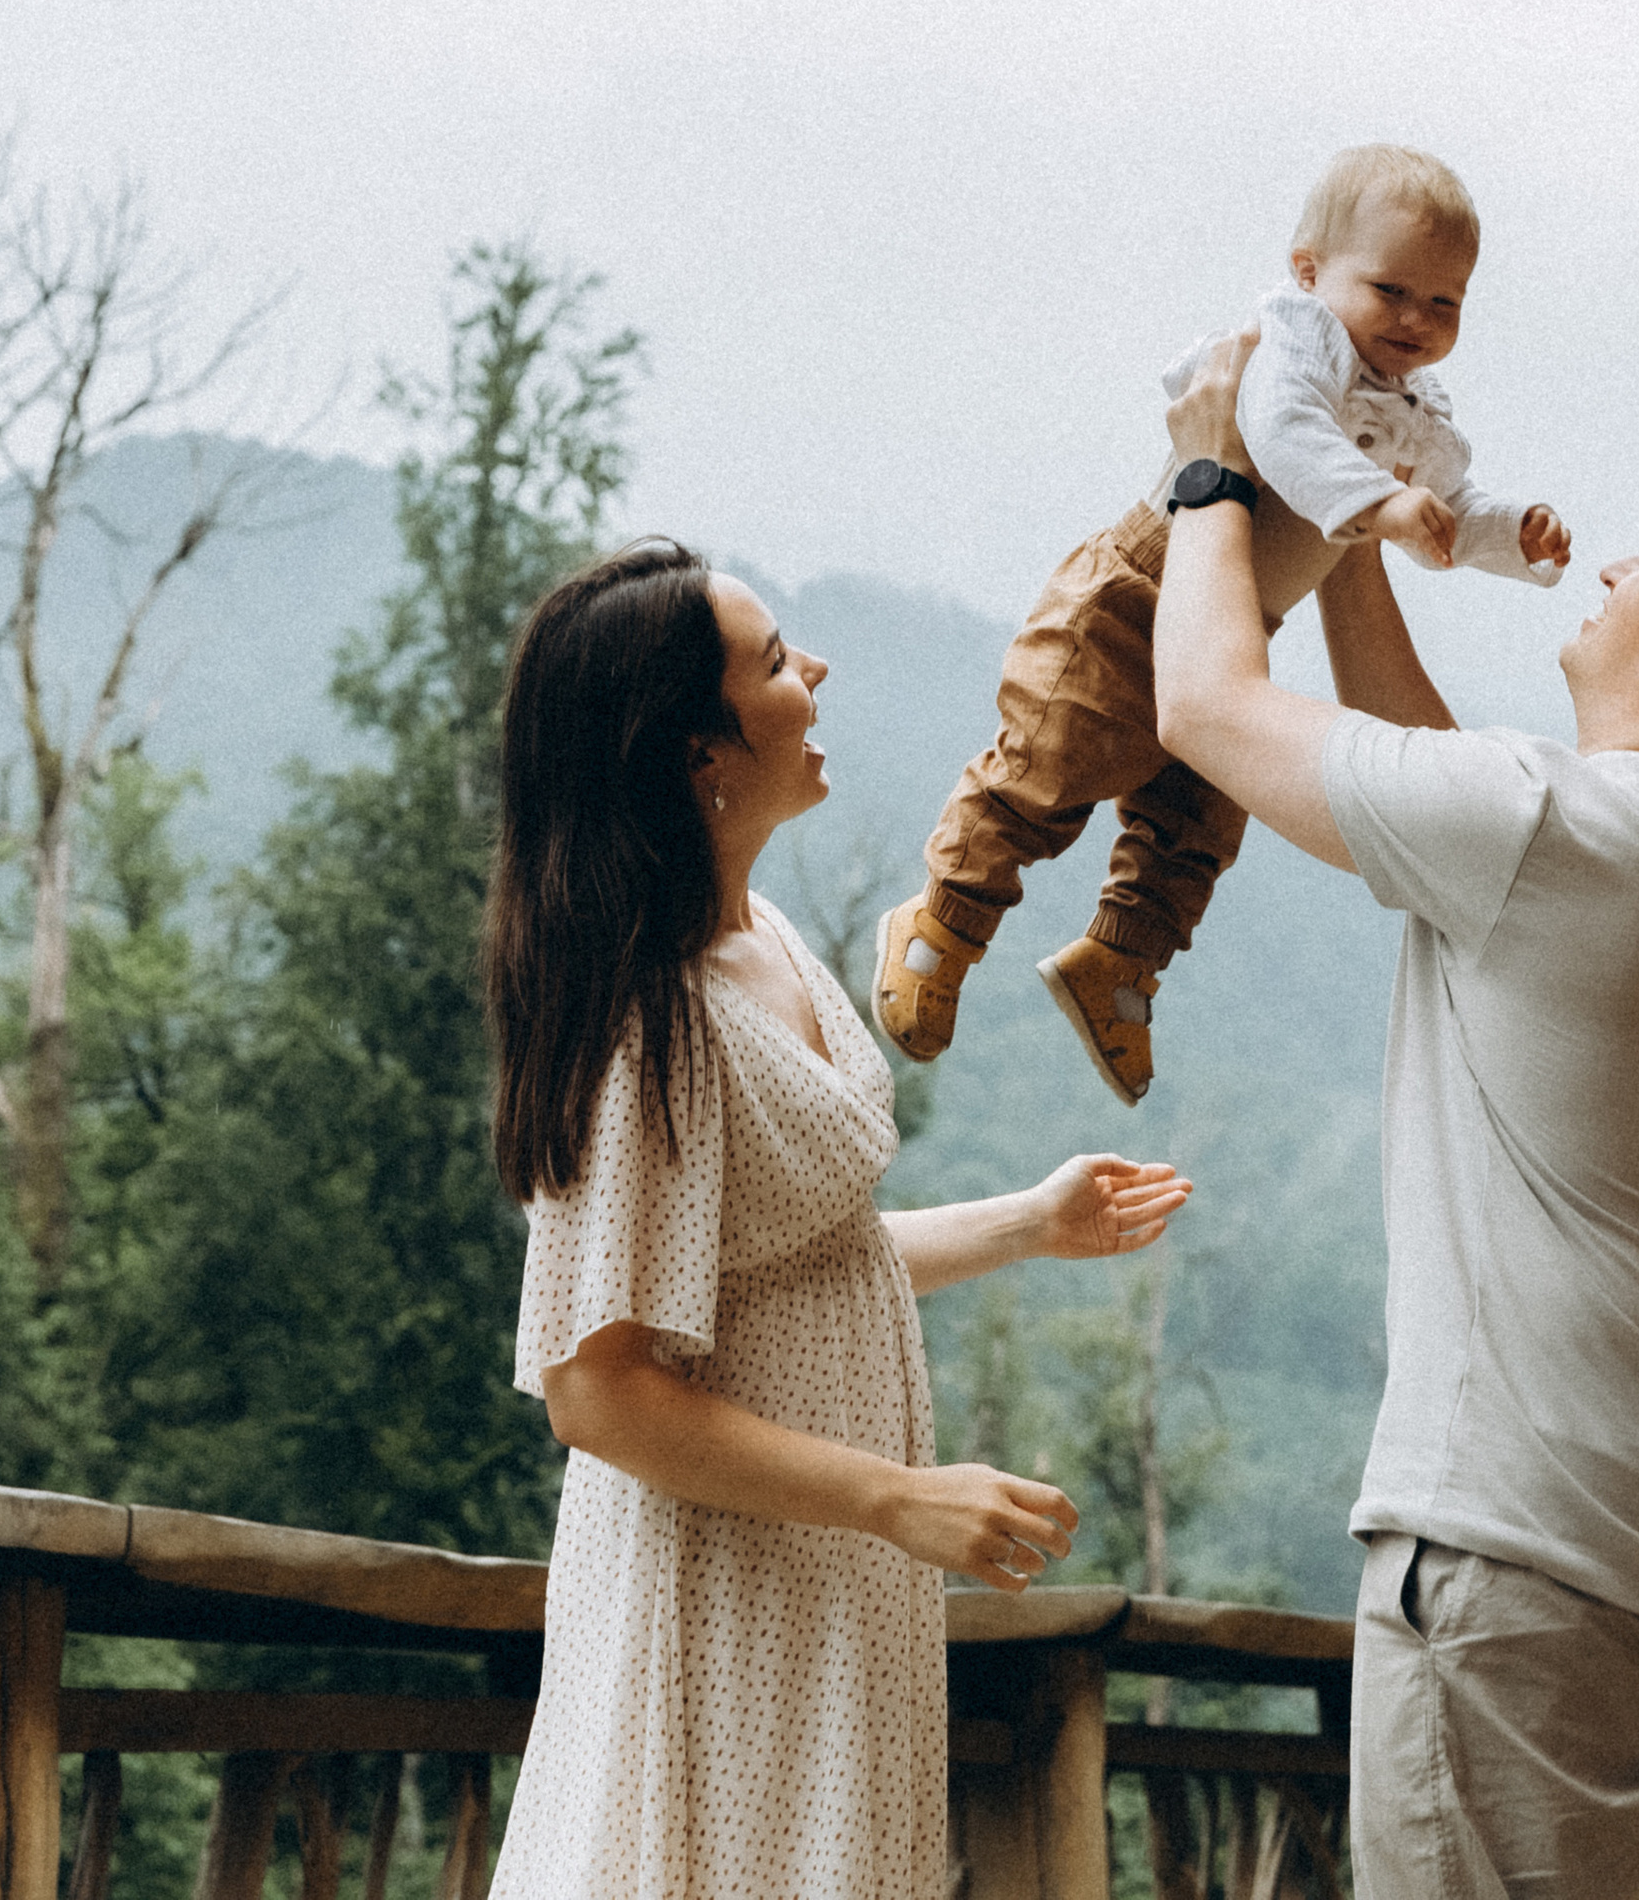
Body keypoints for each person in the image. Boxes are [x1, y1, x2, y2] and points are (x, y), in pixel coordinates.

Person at [1149, 336, 1639, 1900]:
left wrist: (1213, 469)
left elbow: (1206, 706)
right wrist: (1356, 523)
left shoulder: (1547, 834)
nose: (1616, 564)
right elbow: (1443, 788)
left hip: (1527, 1559)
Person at [483, 538, 1190, 1900]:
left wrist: (1029, 1223)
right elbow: (598, 1389)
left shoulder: (764, 939)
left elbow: (792, 1267)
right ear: (699, 750)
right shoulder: (644, 1020)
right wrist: (897, 1498)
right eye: (771, 661)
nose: (814, 669)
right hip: (722, 1597)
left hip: (827, 1583)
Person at [873, 143, 1570, 1103]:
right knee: (1048, 769)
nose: (1415, 320)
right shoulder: (1293, 345)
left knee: (1195, 824)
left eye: (1444, 303)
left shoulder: (1416, 409)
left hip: (1238, 627)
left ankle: (1119, 965)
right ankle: (944, 920)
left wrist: (1513, 535)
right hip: (1138, 592)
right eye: (1391, 290)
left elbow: (1449, 505)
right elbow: (1286, 435)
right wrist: (1382, 503)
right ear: (1309, 272)